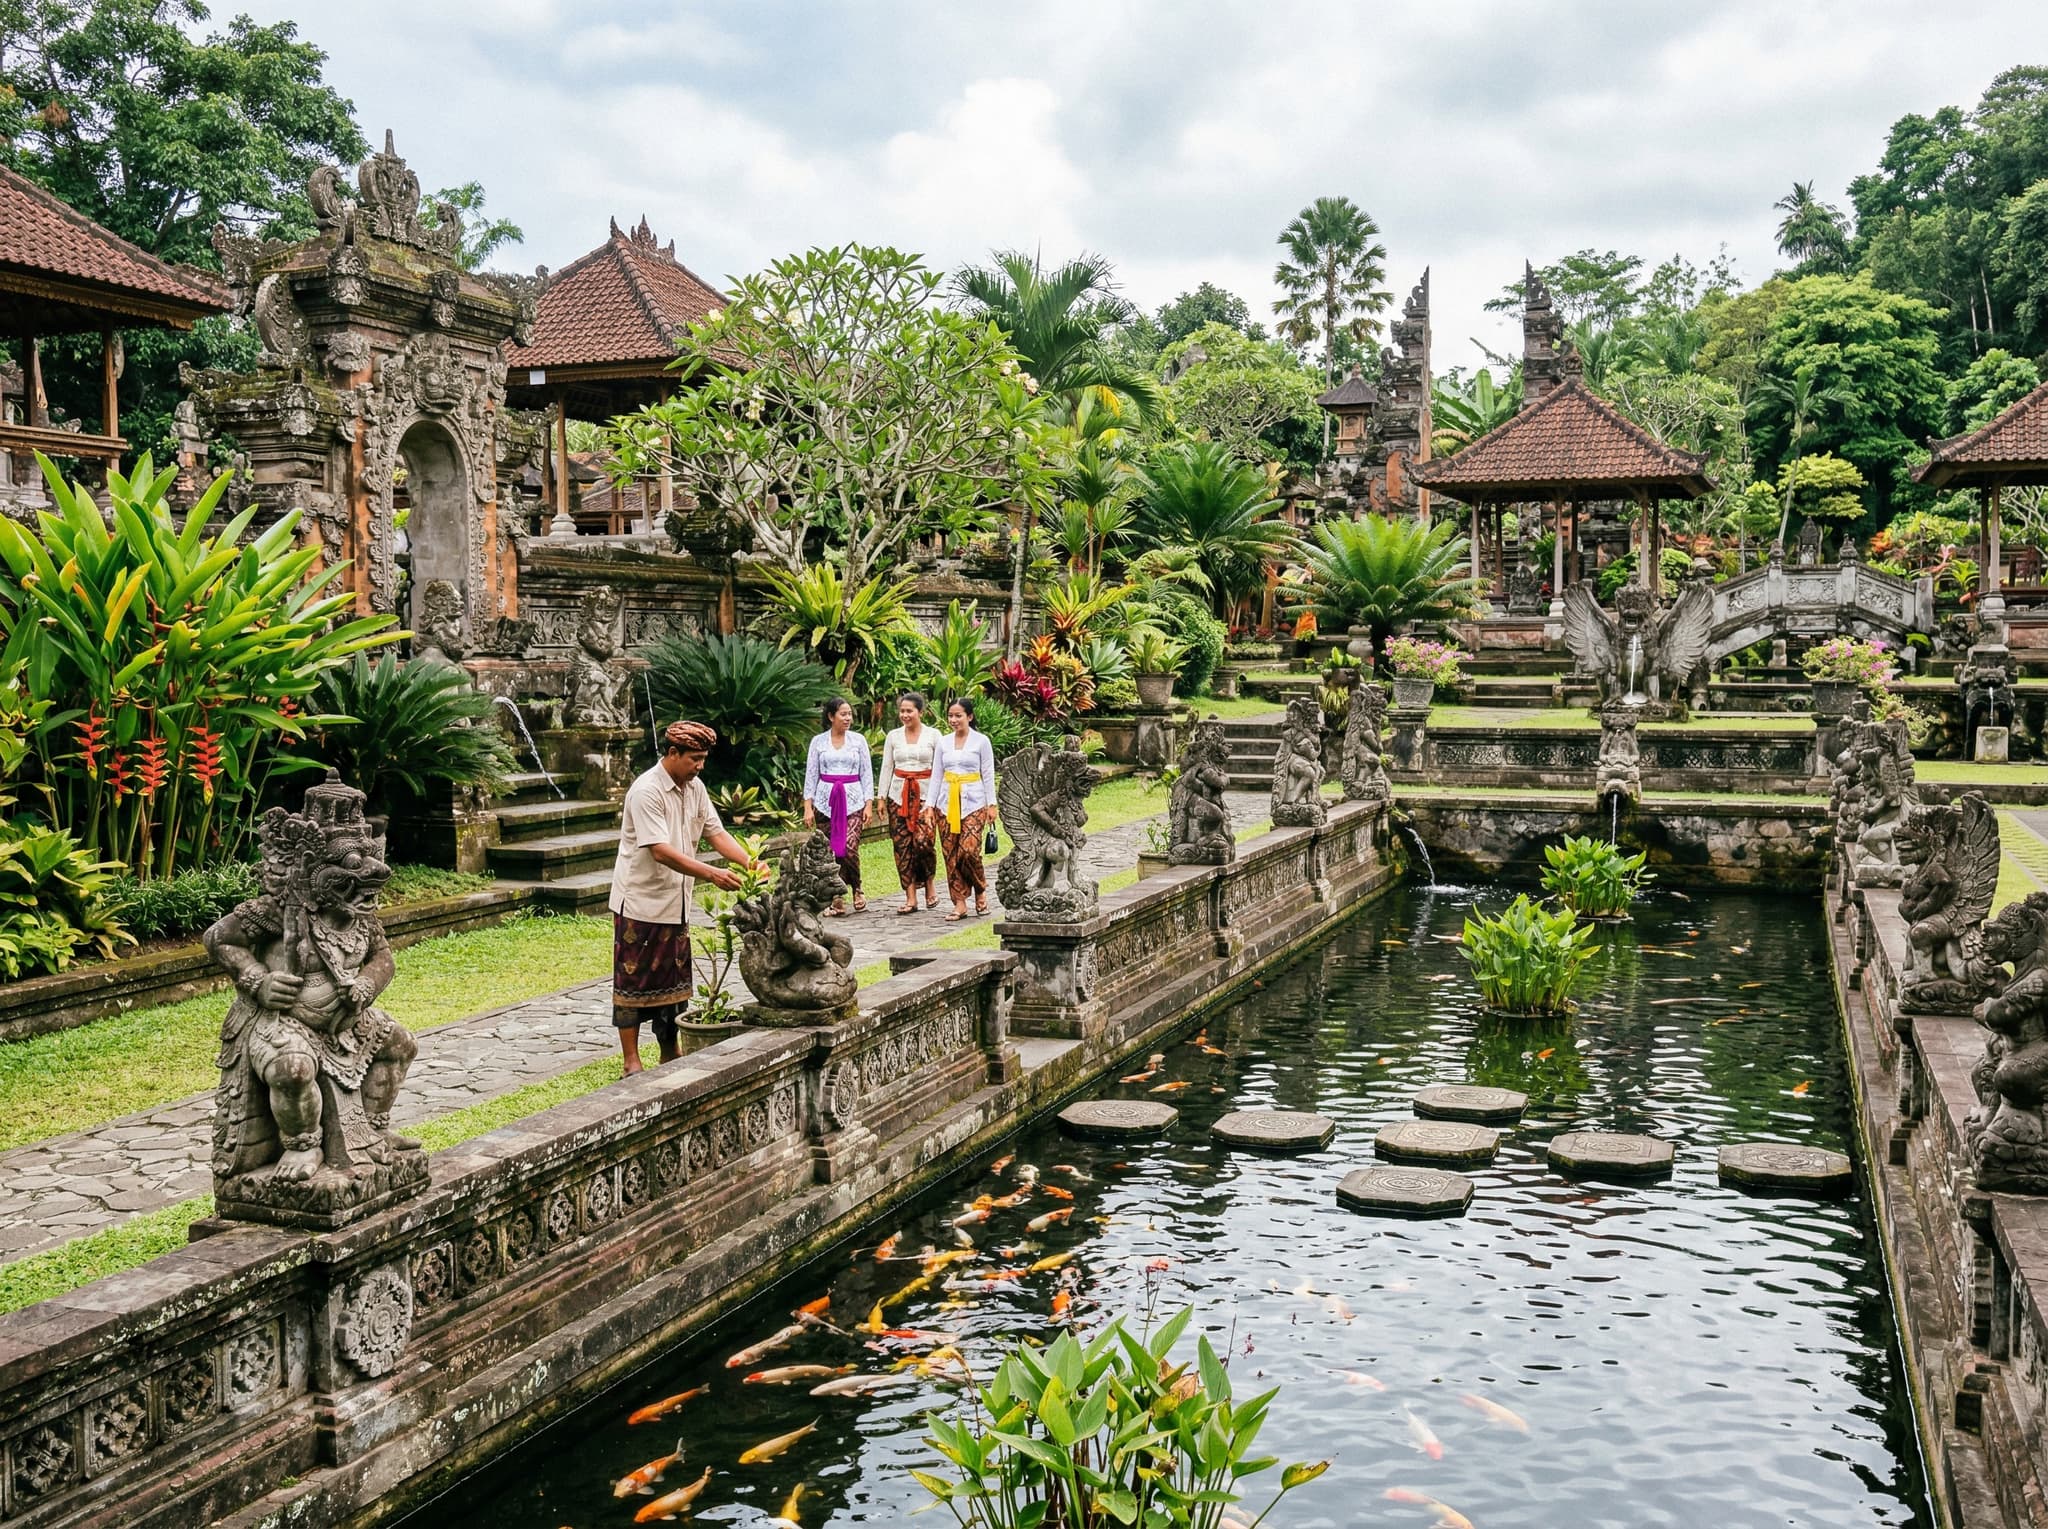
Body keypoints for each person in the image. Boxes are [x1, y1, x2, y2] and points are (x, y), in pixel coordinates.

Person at [606, 720, 755, 1075]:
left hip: (677, 900)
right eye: (695, 759)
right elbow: (660, 851)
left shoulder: (696, 788)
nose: (700, 765)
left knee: (675, 983)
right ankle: (631, 1062)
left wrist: (752, 862)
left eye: (703, 759)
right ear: (673, 753)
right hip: (640, 900)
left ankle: (670, 1050)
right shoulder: (647, 791)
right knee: (633, 980)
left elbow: (716, 833)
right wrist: (712, 874)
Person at [926, 697, 998, 920]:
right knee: (950, 853)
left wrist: (991, 804)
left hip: (973, 801)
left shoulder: (981, 741)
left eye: (958, 715)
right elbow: (936, 775)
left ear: (969, 716)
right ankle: (959, 902)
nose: (954, 720)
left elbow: (987, 773)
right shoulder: (943, 743)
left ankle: (980, 889)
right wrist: (929, 805)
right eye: (950, 716)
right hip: (946, 803)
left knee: (968, 851)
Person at [803, 696, 874, 916]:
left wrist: (868, 803)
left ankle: (857, 887)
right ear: (831, 716)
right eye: (843, 714)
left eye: (850, 714)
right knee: (830, 851)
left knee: (849, 847)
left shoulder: (858, 741)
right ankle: (836, 897)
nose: (848, 718)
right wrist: (808, 806)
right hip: (826, 801)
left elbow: (866, 774)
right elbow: (811, 775)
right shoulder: (818, 742)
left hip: (853, 799)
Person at [877, 692, 939, 914]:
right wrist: (881, 798)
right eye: (902, 711)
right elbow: (887, 767)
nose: (905, 715)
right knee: (902, 847)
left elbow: (939, 768)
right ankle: (910, 896)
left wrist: (936, 798)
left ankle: (929, 882)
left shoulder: (933, 735)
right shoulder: (893, 736)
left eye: (909, 711)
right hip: (898, 795)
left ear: (920, 712)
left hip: (925, 797)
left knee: (923, 843)